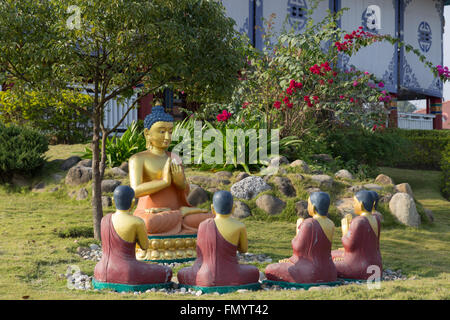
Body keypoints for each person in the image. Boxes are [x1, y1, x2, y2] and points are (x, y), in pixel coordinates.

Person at [129, 105, 214, 236]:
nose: (167, 137)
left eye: (170, 131)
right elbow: (135, 190)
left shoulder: (174, 157)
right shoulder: (138, 159)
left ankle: (179, 216)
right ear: (147, 133)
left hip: (174, 211)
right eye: (162, 132)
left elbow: (184, 191)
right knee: (148, 223)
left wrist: (181, 183)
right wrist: (164, 181)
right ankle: (180, 216)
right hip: (151, 213)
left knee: (211, 219)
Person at [93, 186, 172, 290]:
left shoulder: (104, 220)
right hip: (127, 272)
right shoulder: (136, 222)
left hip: (100, 270)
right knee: (167, 271)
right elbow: (144, 246)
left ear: (113, 201)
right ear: (133, 202)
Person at [177, 190, 260, 288]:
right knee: (254, 271)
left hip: (203, 276)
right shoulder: (239, 226)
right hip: (232, 275)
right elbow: (243, 249)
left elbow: (200, 255)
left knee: (181, 272)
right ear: (233, 208)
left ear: (212, 208)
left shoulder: (203, 225)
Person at [264, 192, 337, 284]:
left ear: (313, 208)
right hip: (330, 271)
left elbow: (298, 247)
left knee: (270, 269)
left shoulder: (309, 223)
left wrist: (298, 230)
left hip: (309, 272)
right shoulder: (331, 223)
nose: (308, 207)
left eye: (309, 204)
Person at [331, 190, 382, 280]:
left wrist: (345, 230)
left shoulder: (358, 221)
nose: (353, 205)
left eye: (355, 203)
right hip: (376, 264)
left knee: (329, 264)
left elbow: (349, 245)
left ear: (361, 204)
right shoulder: (376, 219)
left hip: (358, 267)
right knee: (332, 253)